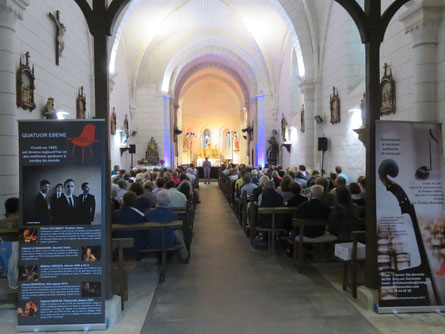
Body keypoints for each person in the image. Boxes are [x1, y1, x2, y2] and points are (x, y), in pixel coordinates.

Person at [146, 190, 188, 260]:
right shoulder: (173, 215)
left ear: (157, 201)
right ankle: (184, 255)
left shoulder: (149, 213)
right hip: (168, 242)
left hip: (152, 241)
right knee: (178, 233)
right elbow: (175, 230)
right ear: (169, 201)